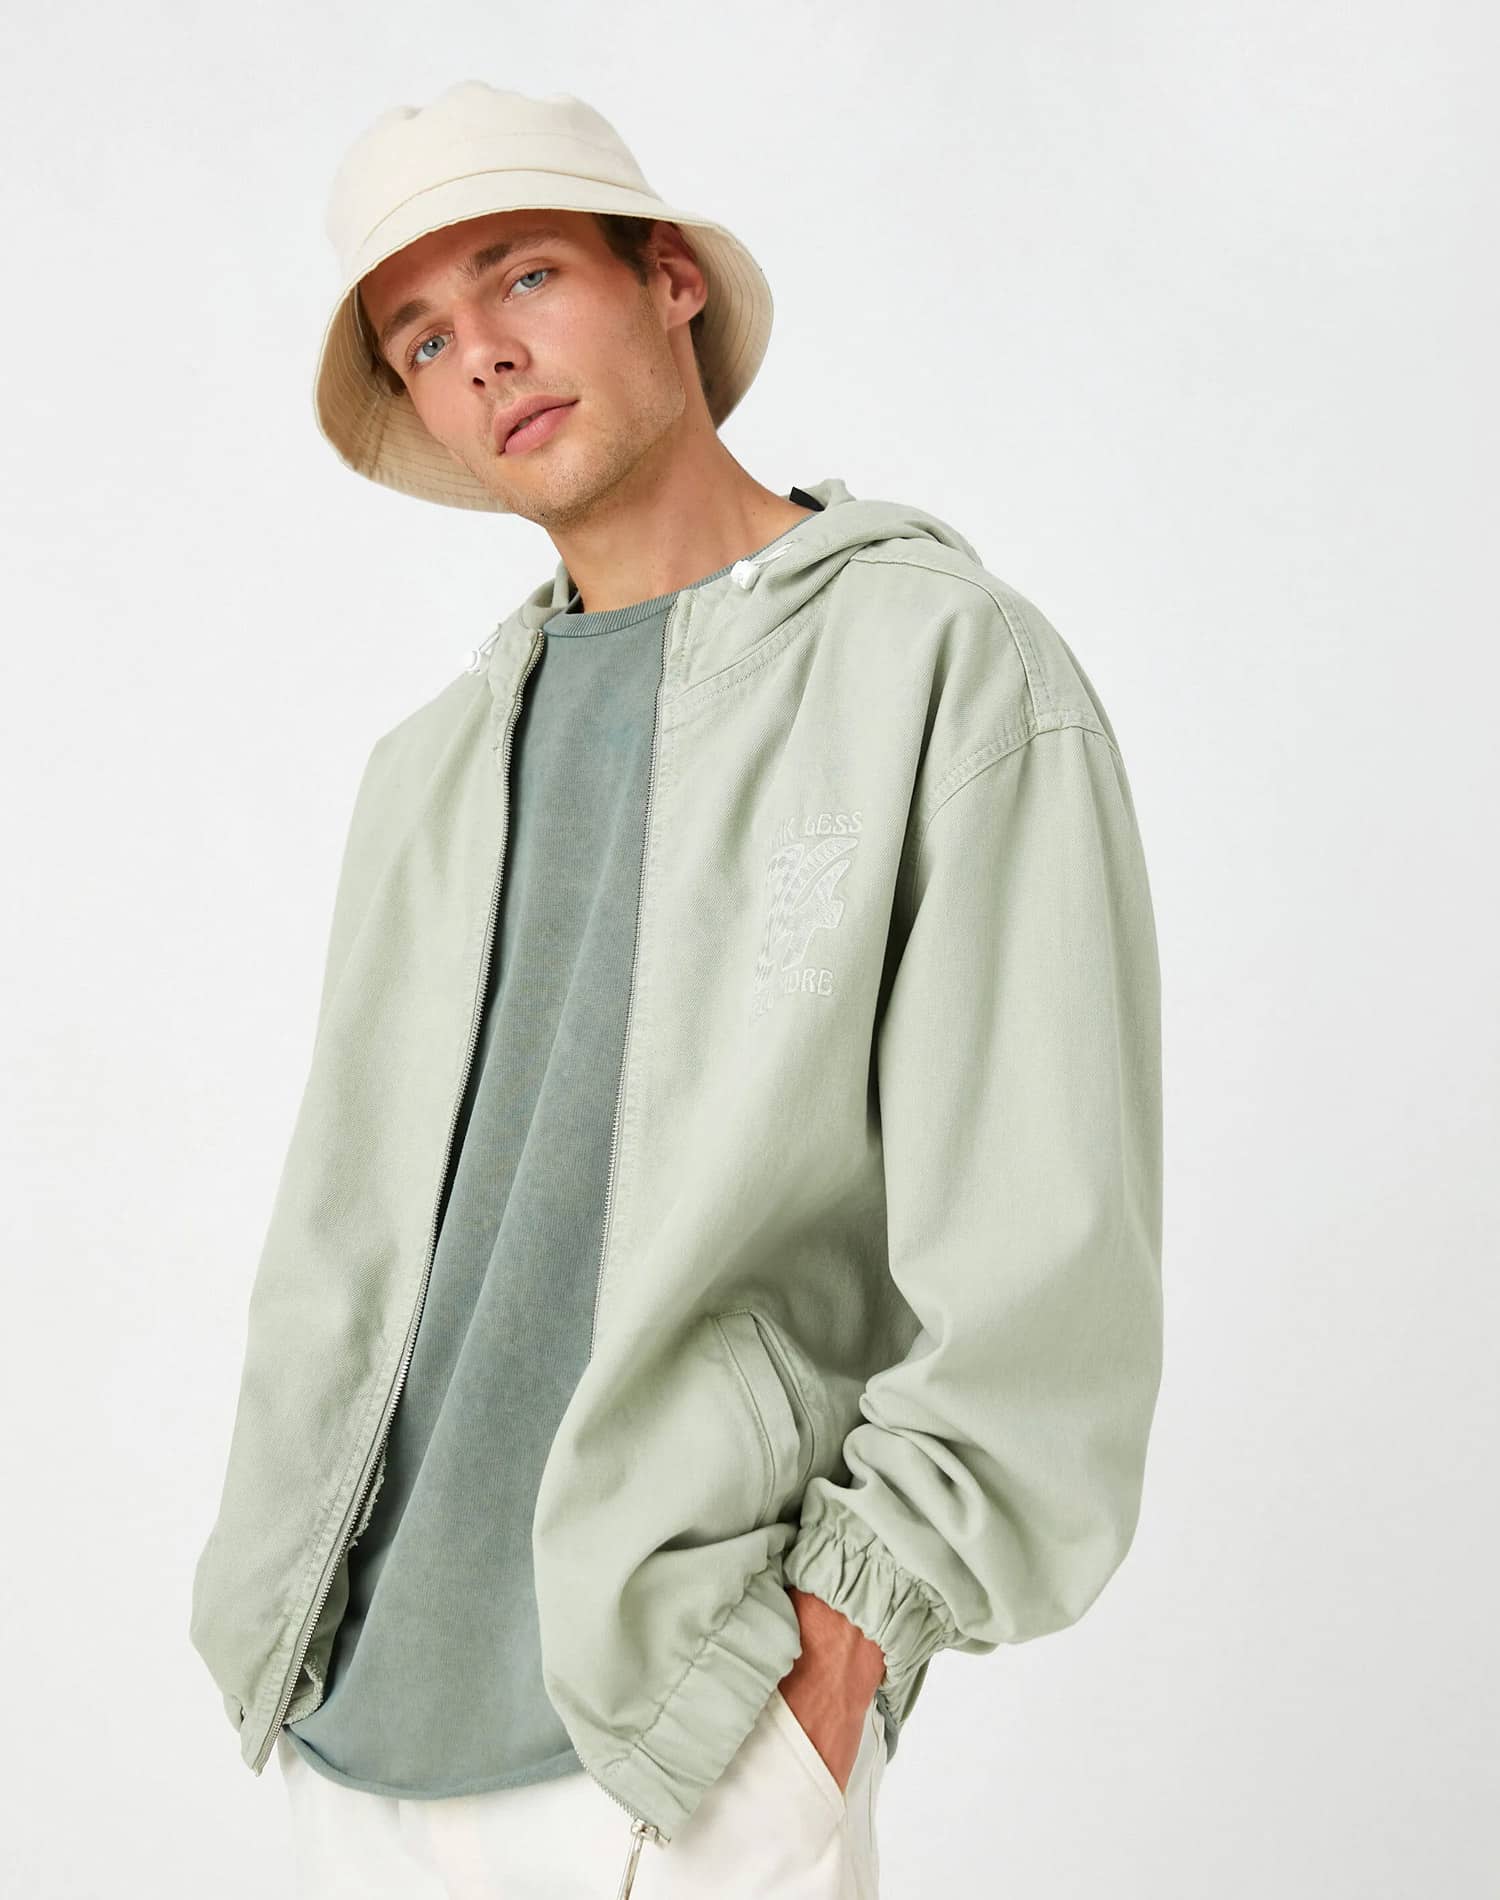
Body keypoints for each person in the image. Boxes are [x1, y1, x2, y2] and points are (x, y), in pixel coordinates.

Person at [188, 81, 1166, 1900]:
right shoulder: (428, 774)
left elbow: (1045, 1259)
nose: (483, 355)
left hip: (681, 1738)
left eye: (524, 274)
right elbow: (341, 1253)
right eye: (422, 338)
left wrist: (833, 1659)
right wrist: (277, 1624)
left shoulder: (939, 671)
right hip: (351, 1737)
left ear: (668, 282)